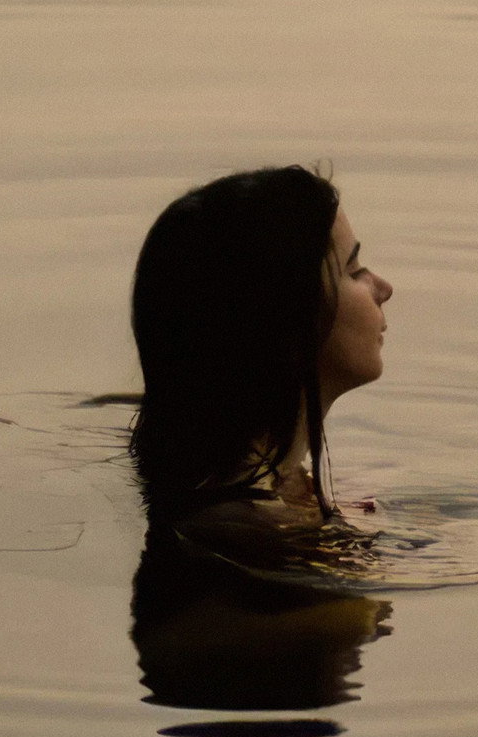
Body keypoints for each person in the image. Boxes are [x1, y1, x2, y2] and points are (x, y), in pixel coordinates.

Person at [129, 165, 394, 552]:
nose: (384, 288)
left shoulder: (214, 468)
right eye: (353, 271)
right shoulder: (261, 537)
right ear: (284, 322)